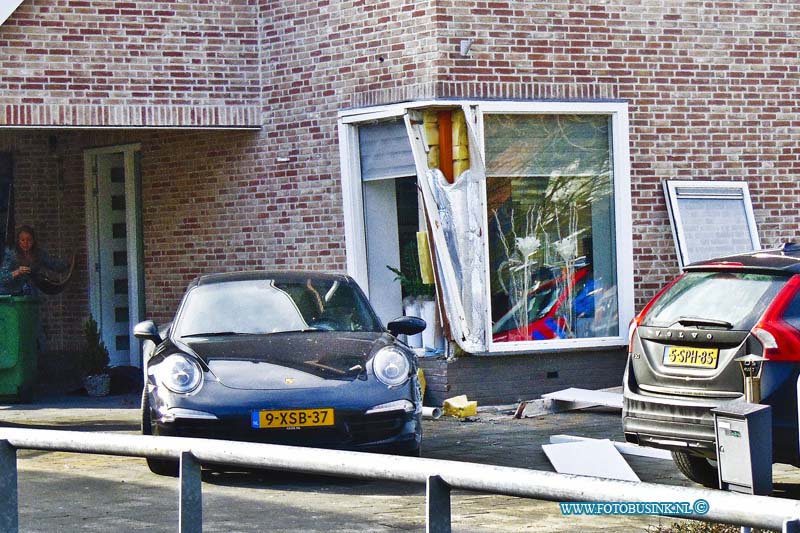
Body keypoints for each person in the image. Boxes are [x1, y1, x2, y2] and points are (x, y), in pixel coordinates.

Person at [0, 225, 69, 296]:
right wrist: (18, 272)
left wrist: (67, 264)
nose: (25, 243)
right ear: (18, 241)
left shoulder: (39, 254)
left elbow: (54, 265)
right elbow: (2, 277)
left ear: (33, 241)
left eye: (29, 240)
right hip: (11, 295)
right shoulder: (12, 255)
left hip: (31, 295)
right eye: (22, 240)